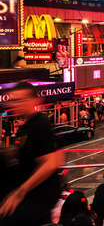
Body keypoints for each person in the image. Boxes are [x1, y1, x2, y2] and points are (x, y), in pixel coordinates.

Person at [0, 82, 65, 225]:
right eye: (13, 100)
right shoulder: (25, 128)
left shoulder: (40, 126)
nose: (15, 104)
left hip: (37, 197)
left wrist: (19, 192)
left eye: (20, 100)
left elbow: (50, 163)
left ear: (33, 100)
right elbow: (21, 153)